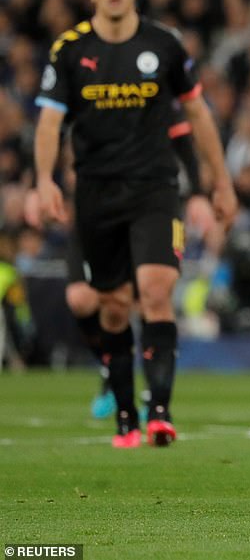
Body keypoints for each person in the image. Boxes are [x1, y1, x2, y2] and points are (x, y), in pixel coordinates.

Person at [34, 0, 237, 448]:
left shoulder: (164, 44)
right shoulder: (69, 50)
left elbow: (198, 114)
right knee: (112, 305)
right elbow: (50, 122)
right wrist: (43, 180)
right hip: (96, 192)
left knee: (156, 290)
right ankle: (126, 416)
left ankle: (160, 412)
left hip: (155, 188)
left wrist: (220, 181)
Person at [25, 121, 215, 420]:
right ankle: (111, 366)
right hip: (95, 217)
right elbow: (54, 134)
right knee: (82, 299)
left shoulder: (152, 112)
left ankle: (154, 393)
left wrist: (199, 191)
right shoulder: (84, 114)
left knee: (149, 298)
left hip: (147, 212)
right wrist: (42, 184)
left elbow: (183, 128)